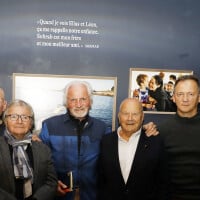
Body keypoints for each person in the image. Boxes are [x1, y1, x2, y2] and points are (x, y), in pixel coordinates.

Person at [39, 80, 158, 200]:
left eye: (83, 99)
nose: (79, 104)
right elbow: (39, 163)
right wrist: (52, 183)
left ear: (90, 102)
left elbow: (124, 134)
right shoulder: (49, 126)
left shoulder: (102, 128)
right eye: (73, 100)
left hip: (94, 196)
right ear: (66, 103)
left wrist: (142, 128)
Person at [98, 98, 169, 200]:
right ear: (119, 116)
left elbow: (163, 182)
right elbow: (101, 180)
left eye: (135, 114)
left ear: (142, 117)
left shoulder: (155, 142)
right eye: (125, 113)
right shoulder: (106, 141)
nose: (130, 118)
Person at [0, 99, 58, 200]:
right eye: (13, 116)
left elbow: (51, 182)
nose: (19, 121)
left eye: (25, 117)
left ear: (31, 123)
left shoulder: (43, 149)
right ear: (6, 120)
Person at [157, 75, 200, 199]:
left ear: (199, 98)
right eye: (180, 94)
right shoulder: (160, 131)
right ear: (174, 98)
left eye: (191, 94)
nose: (185, 99)